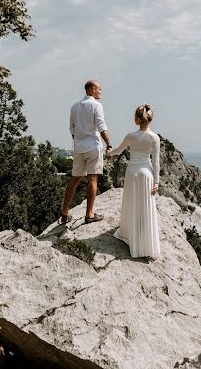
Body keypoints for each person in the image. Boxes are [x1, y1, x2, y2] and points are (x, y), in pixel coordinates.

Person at [106, 104, 160, 258]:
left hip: (132, 172)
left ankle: (131, 235)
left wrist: (109, 154)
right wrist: (156, 182)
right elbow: (156, 162)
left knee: (132, 203)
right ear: (149, 120)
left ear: (137, 119)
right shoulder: (154, 138)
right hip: (147, 173)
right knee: (146, 206)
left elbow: (118, 150)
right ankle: (145, 241)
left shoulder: (131, 136)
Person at [60, 79, 112, 224]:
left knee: (74, 179)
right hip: (93, 146)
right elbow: (101, 126)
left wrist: (78, 140)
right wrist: (108, 144)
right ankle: (89, 214)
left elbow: (72, 128)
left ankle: (64, 213)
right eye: (99, 89)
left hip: (79, 147)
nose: (100, 92)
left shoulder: (75, 107)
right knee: (92, 179)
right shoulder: (96, 105)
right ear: (93, 89)